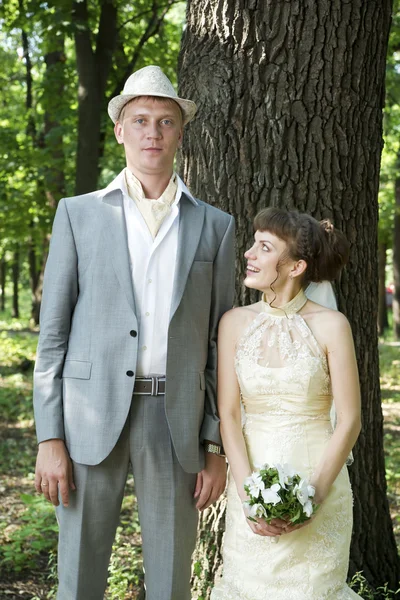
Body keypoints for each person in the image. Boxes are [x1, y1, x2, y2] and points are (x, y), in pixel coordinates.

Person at [33, 65, 235, 600]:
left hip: (176, 420)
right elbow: (52, 337)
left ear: (180, 132)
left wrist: (215, 443)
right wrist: (49, 436)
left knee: (171, 577)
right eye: (140, 120)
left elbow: (221, 344)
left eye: (165, 121)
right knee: (79, 571)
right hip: (87, 417)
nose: (153, 132)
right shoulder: (77, 216)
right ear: (120, 130)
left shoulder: (215, 226)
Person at [211, 207, 362, 599]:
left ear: (295, 267)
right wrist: (247, 498)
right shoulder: (233, 323)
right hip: (250, 489)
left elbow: (349, 421)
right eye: (253, 244)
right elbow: (228, 416)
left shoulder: (332, 326)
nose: (249, 253)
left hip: (320, 487)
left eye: (264, 247)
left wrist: (312, 496)